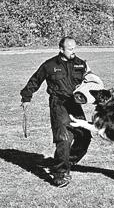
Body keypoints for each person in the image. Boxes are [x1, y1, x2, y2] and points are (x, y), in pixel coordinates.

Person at [20, 36, 92, 188]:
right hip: (58, 104)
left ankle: (66, 161)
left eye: (75, 48)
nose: (73, 52)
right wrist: (26, 97)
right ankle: (60, 174)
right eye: (70, 49)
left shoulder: (81, 64)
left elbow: (91, 81)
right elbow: (35, 80)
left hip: (74, 104)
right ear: (61, 49)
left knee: (85, 136)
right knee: (63, 138)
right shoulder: (49, 65)